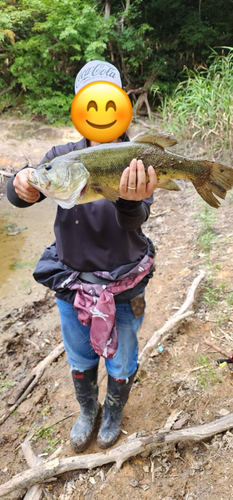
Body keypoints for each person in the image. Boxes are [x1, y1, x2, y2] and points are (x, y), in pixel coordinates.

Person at [7, 60, 157, 452]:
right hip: (72, 284)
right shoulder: (62, 157)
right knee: (79, 356)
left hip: (125, 283)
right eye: (90, 102)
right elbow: (26, 192)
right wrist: (19, 183)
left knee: (122, 359)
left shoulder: (136, 158)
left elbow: (136, 219)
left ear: (121, 105)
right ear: (79, 109)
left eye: (109, 101)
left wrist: (129, 199)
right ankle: (88, 410)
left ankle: (113, 411)